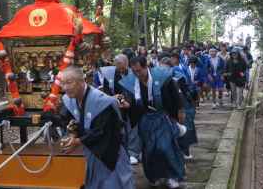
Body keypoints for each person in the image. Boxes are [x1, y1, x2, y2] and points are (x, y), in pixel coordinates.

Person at [59, 66, 134, 189]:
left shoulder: (102, 102)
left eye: (69, 82)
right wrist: (72, 136)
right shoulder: (69, 100)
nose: (65, 88)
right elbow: (69, 120)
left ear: (81, 81)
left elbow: (103, 131)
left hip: (110, 153)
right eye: (63, 83)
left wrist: (78, 141)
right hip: (91, 152)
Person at [120, 56, 185, 188]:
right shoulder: (131, 82)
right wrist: (127, 105)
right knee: (150, 150)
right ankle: (155, 176)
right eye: (134, 71)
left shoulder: (162, 76)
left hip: (161, 117)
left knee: (165, 147)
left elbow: (175, 94)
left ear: (146, 67)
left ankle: (173, 176)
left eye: (139, 70)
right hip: (145, 119)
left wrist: (180, 110)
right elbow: (131, 102)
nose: (137, 74)